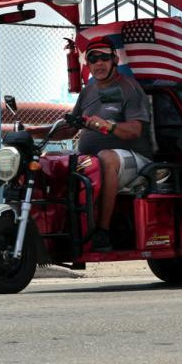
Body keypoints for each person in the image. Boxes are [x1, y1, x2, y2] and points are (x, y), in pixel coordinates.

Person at [65, 37, 153, 251]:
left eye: (104, 58)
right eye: (93, 59)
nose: (98, 63)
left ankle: (103, 232)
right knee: (54, 162)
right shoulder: (89, 91)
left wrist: (109, 127)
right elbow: (70, 127)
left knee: (106, 157)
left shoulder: (128, 88)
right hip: (94, 161)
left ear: (115, 59)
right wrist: (33, 132)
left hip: (136, 161)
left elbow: (135, 130)